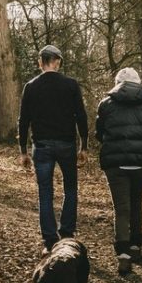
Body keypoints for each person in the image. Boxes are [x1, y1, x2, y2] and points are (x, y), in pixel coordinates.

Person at [18, 45, 89, 253]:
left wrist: (22, 150)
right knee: (70, 189)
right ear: (57, 62)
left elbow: (24, 120)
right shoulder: (71, 85)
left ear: (41, 62)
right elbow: (81, 117)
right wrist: (83, 146)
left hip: (41, 146)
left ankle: (50, 242)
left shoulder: (30, 87)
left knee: (45, 193)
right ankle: (66, 235)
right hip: (67, 144)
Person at [94, 68, 142, 276]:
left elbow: (99, 133)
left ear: (117, 83)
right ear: (138, 83)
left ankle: (123, 255)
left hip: (115, 162)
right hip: (141, 161)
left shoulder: (106, 104)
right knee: (136, 202)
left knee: (121, 207)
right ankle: (135, 247)